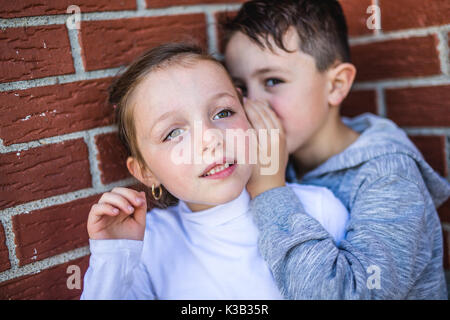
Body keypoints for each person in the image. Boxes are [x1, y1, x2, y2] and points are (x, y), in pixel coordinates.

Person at [80, 43, 349, 300]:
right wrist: (114, 258)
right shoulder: (146, 246)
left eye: (223, 113)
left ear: (250, 117)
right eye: (173, 132)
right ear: (146, 172)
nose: (210, 138)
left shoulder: (319, 209)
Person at [222, 0, 450, 299]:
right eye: (241, 87)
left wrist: (269, 192)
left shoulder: (389, 175)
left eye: (273, 81)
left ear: (336, 85)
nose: (253, 105)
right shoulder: (277, 160)